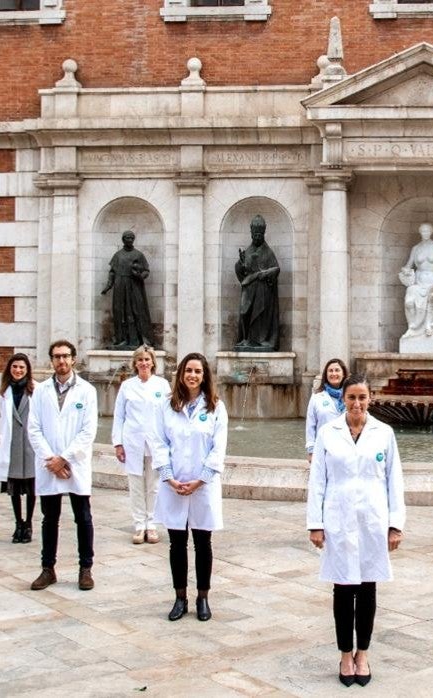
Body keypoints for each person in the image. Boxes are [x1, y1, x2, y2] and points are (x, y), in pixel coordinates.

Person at [307, 374, 405, 687]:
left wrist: (395, 525)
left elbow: (394, 480)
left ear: (370, 399)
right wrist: (316, 524)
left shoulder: (384, 433)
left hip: (373, 521)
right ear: (344, 400)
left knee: (367, 589)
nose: (357, 404)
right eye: (351, 398)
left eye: (362, 397)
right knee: (342, 589)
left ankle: (363, 652)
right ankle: (344, 653)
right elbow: (318, 481)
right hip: (338, 519)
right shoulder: (328, 432)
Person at [153, 353, 228, 622]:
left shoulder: (215, 407)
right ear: (181, 374)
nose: (193, 375)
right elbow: (158, 442)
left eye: (198, 371)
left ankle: (203, 597)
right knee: (176, 543)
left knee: (202, 543)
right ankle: (180, 596)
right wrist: (168, 476)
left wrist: (202, 478)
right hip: (174, 484)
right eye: (188, 371)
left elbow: (219, 447)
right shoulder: (167, 406)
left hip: (202, 485)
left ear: (205, 375)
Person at [27, 340, 99, 591]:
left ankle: (85, 568)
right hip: (50, 464)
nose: (61, 361)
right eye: (57, 357)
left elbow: (88, 431)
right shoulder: (41, 390)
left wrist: (64, 458)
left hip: (74, 463)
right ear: (51, 360)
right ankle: (48, 568)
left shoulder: (87, 391)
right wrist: (51, 459)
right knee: (49, 518)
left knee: (83, 517)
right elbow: (34, 428)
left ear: (73, 359)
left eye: (65, 356)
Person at [112, 345, 171, 545]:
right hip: (133, 440)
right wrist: (118, 443)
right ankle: (139, 524)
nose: (144, 363)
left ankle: (152, 523)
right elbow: (119, 415)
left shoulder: (162, 385)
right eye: (140, 360)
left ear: (153, 362)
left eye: (147, 359)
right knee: (136, 485)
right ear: (135, 363)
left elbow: (168, 415)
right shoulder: (127, 386)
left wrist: (169, 442)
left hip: (155, 441)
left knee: (154, 485)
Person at [0, 353, 37, 544]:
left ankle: (28, 524)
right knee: (15, 488)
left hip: (30, 444)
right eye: (15, 367)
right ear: (10, 369)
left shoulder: (36, 389)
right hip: (12, 445)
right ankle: (18, 522)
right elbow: (3, 418)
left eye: (21, 367)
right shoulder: (4, 392)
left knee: (32, 487)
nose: (18, 371)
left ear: (27, 370)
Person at [101, 230, 155, 349]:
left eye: (131, 238)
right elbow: (112, 272)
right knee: (120, 312)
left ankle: (136, 340)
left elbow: (146, 271)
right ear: (123, 239)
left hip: (134, 286)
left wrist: (140, 275)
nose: (129, 240)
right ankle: (121, 339)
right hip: (119, 286)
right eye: (127, 238)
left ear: (133, 239)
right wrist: (108, 286)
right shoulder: (118, 255)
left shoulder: (139, 255)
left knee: (135, 311)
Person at [234, 214, 281, 351]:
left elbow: (276, 269)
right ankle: (245, 339)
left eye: (259, 234)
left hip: (263, 292)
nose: (257, 237)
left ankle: (259, 340)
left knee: (260, 315)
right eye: (255, 234)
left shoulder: (268, 252)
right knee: (244, 312)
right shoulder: (247, 251)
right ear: (251, 234)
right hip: (248, 290)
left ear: (263, 234)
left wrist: (264, 274)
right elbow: (241, 272)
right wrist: (240, 264)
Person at [399, 222, 433, 341]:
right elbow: (408, 265)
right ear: (420, 232)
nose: (425, 233)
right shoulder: (416, 248)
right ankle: (413, 328)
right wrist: (405, 271)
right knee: (409, 302)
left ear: (431, 232)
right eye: (423, 231)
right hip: (419, 281)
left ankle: (429, 327)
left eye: (427, 231)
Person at [305, 358, 347, 464]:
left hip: (347, 448)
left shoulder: (351, 396)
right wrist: (311, 451)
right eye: (330, 371)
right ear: (326, 375)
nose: (334, 373)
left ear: (343, 374)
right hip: (324, 449)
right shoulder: (316, 397)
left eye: (337, 370)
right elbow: (310, 425)